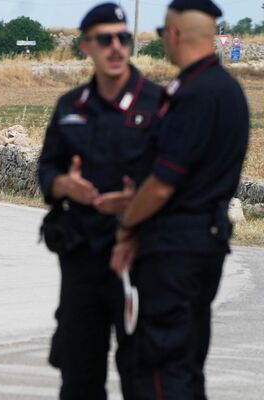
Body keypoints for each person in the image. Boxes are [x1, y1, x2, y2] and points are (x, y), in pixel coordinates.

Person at [110, 1, 250, 398]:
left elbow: (161, 184)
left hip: (173, 252)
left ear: (173, 35)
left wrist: (126, 227)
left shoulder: (193, 94)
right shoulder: (228, 90)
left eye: (161, 34)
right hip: (202, 242)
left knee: (159, 367)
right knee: (185, 366)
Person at [38, 3, 163, 399]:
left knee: (143, 376)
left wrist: (136, 200)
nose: (116, 47)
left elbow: (177, 178)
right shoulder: (70, 107)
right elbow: (46, 170)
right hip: (83, 259)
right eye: (105, 39)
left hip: (140, 260)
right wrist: (64, 186)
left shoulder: (158, 104)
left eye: (123, 38)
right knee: (78, 377)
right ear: (85, 46)